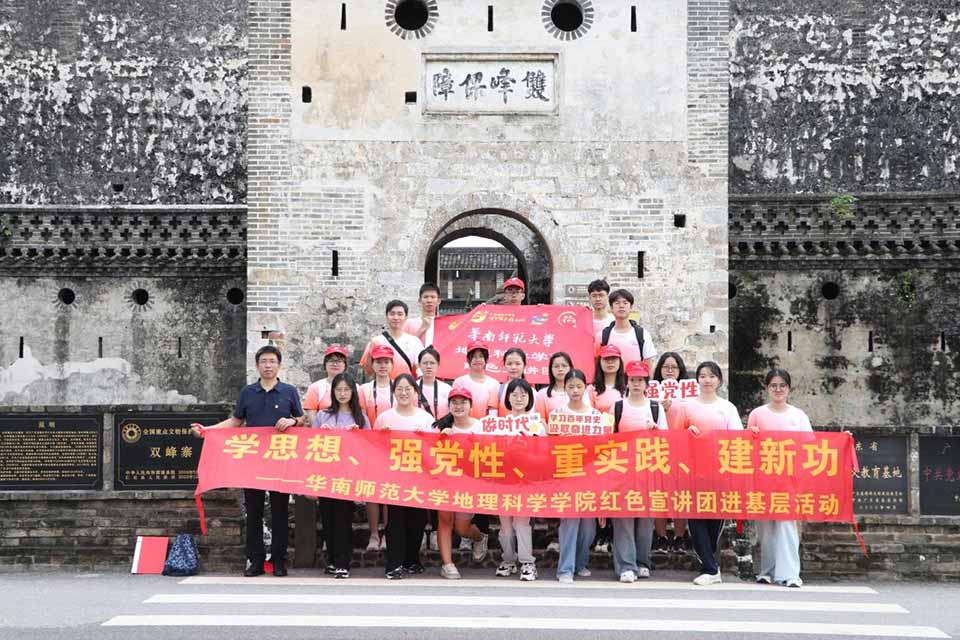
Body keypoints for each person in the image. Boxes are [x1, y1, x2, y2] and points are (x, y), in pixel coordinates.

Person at [189, 345, 303, 577]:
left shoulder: (288, 391)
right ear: (257, 365)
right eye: (264, 361)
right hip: (253, 462)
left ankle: (280, 561)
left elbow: (302, 418)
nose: (268, 365)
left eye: (272, 361)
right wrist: (208, 430)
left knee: (281, 511)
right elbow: (235, 421)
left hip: (280, 460)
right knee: (254, 511)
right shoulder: (248, 392)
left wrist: (292, 421)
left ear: (279, 365)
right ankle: (256, 561)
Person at [677, 361, 744, 585]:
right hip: (693, 471)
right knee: (695, 518)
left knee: (714, 518)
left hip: (720, 470)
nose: (707, 380)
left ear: (719, 380)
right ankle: (710, 567)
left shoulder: (727, 408)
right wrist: (687, 432)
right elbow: (674, 436)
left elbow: (737, 438)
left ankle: (710, 565)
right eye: (703, 375)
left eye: (712, 376)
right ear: (697, 379)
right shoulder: (686, 406)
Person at [747, 368, 812, 589]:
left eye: (782, 385)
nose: (778, 389)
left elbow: (810, 446)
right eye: (773, 385)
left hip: (789, 479)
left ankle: (790, 573)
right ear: (767, 388)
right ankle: (767, 571)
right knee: (765, 528)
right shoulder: (757, 413)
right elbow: (746, 446)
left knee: (786, 525)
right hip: (764, 478)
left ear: (789, 389)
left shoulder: (798, 415)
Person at [608, 361, 667, 582]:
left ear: (646, 383)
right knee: (623, 519)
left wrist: (655, 431)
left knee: (645, 520)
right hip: (622, 470)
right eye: (632, 380)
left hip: (648, 469)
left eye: (640, 380)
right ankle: (626, 566)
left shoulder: (655, 407)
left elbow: (666, 439)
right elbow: (608, 438)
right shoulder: (617, 407)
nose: (636, 384)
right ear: (627, 382)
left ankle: (642, 561)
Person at [373, 374, 436, 579]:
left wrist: (424, 438)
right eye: (399, 389)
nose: (403, 392)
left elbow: (436, 448)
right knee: (396, 521)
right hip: (394, 478)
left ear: (415, 392)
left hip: (419, 477)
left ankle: (411, 560)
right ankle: (394, 564)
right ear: (393, 392)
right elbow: (372, 447)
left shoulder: (426, 419)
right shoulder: (384, 417)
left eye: (408, 389)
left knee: (417, 521)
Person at [314, 372, 369, 579]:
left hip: (348, 475)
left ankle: (343, 562)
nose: (343, 393)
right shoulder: (322, 416)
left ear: (353, 392)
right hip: (327, 474)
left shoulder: (360, 417)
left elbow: (368, 447)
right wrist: (322, 435)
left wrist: (357, 435)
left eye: (347, 389)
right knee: (327, 519)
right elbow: (312, 446)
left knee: (344, 519)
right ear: (333, 392)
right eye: (339, 390)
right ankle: (332, 560)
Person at [431, 387, 490, 579]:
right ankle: (447, 564)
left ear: (471, 405)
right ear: (449, 406)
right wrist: (441, 438)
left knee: (462, 528)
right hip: (444, 482)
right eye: (454, 402)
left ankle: (479, 537)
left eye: (463, 402)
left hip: (469, 484)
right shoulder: (440, 428)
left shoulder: (480, 427)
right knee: (444, 521)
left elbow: (491, 454)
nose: (458, 406)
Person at [550, 369, 600, 583]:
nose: (575, 390)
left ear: (585, 387)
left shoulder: (595, 416)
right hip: (566, 474)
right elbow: (548, 447)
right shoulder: (558, 415)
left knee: (588, 527)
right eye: (570, 386)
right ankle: (565, 568)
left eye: (579, 386)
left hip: (589, 475)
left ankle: (581, 562)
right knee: (569, 522)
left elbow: (603, 447)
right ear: (565, 388)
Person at [496, 377, 540, 581]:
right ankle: (508, 559)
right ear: (508, 398)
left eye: (524, 394)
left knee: (522, 521)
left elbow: (544, 453)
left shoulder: (537, 423)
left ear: (530, 398)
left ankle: (527, 562)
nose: (519, 398)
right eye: (514, 394)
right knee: (505, 524)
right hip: (502, 479)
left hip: (527, 480)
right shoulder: (497, 423)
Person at [652, 351, 691, 552]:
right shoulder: (651, 392)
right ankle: (660, 536)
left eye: (673, 367)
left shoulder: (689, 394)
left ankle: (679, 535)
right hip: (657, 448)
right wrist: (660, 407)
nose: (669, 371)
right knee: (659, 491)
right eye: (665, 367)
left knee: (680, 493)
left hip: (682, 448)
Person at [359, 344, 394, 551]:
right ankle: (374, 534)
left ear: (392, 365)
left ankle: (388, 533)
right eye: (378, 361)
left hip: (392, 447)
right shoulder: (363, 390)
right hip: (369, 446)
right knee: (371, 492)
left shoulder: (399, 387)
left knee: (389, 492)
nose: (382, 366)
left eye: (386, 362)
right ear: (372, 364)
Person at [360, 300, 425, 379]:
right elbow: (368, 373)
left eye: (400, 314)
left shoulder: (414, 342)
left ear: (406, 317)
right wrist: (370, 353)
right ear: (387, 316)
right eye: (392, 314)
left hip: (405, 388)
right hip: (383, 387)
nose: (396, 317)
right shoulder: (376, 341)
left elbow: (420, 370)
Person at [594, 289, 657, 368]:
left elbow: (649, 364)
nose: (621, 306)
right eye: (617, 303)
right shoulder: (602, 336)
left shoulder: (642, 334)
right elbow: (596, 362)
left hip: (635, 379)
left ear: (631, 307)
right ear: (611, 308)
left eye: (625, 303)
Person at [536, 352, 590, 421]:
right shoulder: (542, 394)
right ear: (550, 369)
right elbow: (541, 419)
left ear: (570, 367)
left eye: (564, 366)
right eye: (556, 366)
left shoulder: (582, 391)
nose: (560, 369)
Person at [303, 344, 349, 425]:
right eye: (331, 360)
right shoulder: (315, 388)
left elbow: (358, 414)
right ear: (325, 364)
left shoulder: (356, 387)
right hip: (324, 435)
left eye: (339, 361)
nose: (335, 364)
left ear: (345, 365)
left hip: (348, 434)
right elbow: (312, 418)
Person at [453, 340, 500, 419]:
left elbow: (493, 412)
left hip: (483, 428)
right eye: (474, 357)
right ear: (468, 360)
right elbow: (455, 407)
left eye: (481, 356)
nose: (477, 360)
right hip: (463, 427)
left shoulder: (494, 384)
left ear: (486, 360)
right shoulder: (459, 382)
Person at [497, 347, 546, 418]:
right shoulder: (498, 390)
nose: (513, 367)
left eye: (517, 364)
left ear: (524, 365)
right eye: (509, 364)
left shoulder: (533, 392)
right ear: (504, 365)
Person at [588, 344, 627, 413]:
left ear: (620, 362)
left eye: (614, 358)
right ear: (600, 362)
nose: (610, 362)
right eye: (606, 358)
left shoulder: (628, 388)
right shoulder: (591, 389)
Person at [417, 346, 451, 420]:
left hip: (441, 429)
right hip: (417, 429)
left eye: (432, 363)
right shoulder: (412, 387)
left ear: (438, 364)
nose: (428, 366)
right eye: (425, 363)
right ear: (419, 365)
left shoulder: (447, 389)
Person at [405, 283, 441, 347]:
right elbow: (405, 346)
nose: (429, 300)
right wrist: (422, 329)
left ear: (438, 301)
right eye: (425, 297)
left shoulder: (443, 324)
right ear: (419, 300)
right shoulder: (409, 323)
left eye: (433, 297)